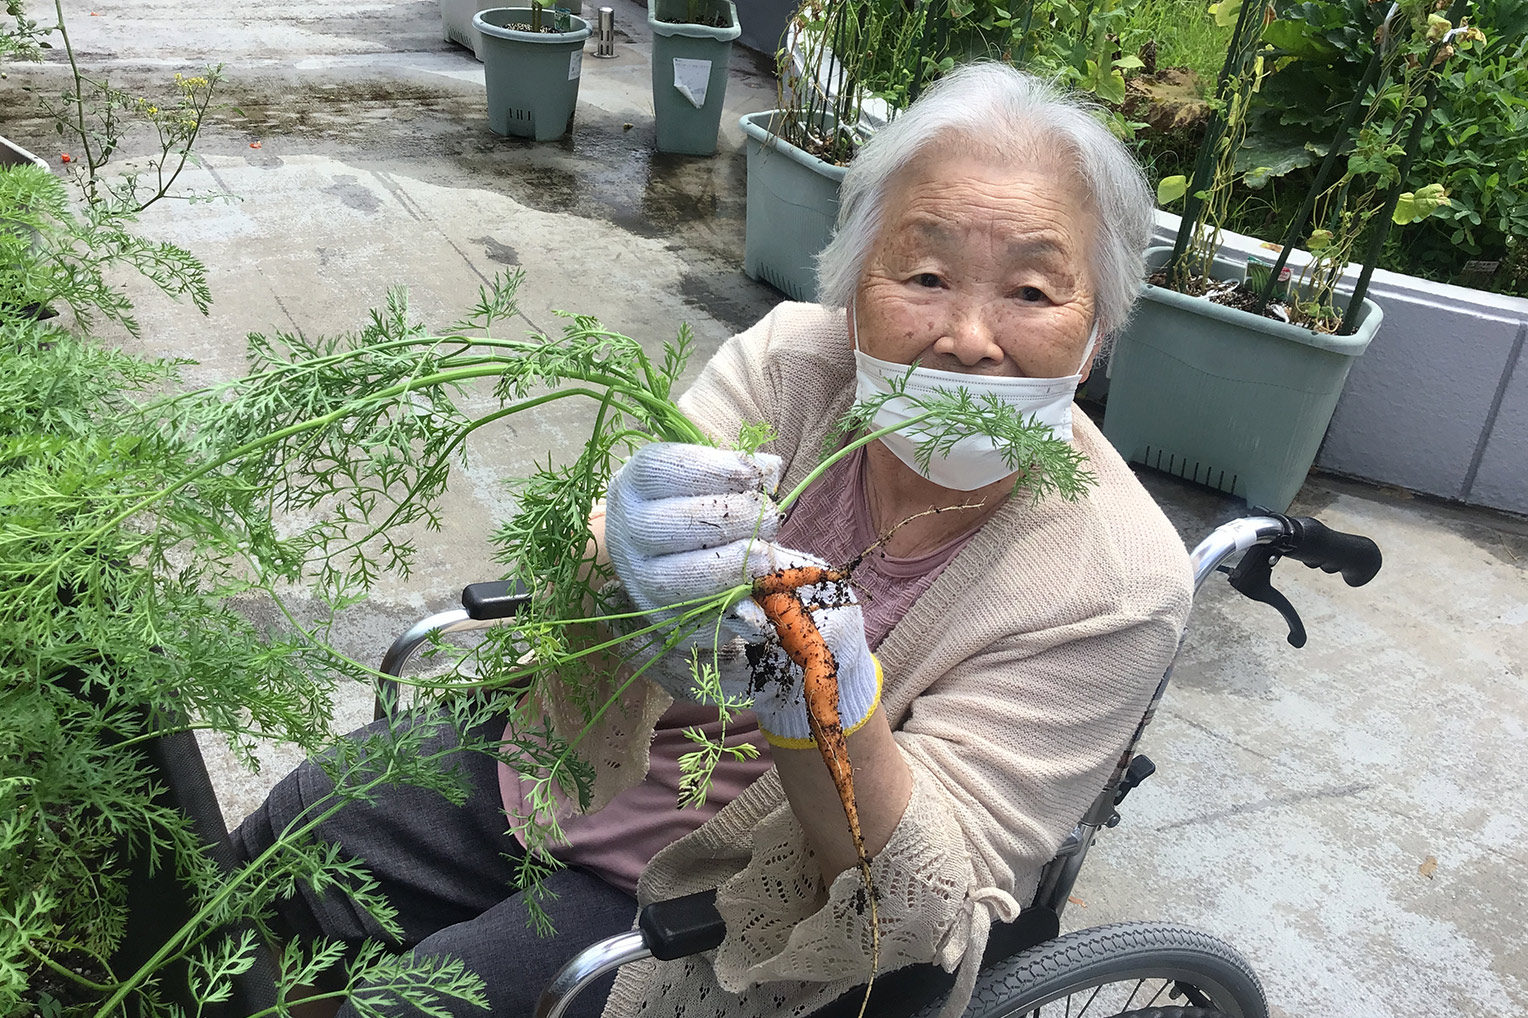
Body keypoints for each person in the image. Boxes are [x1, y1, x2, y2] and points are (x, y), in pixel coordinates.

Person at [233, 62, 1192, 1018]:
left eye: (1032, 291)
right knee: (291, 837)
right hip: (591, 757)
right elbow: (602, 572)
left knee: (428, 1005)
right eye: (927, 276)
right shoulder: (791, 365)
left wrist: (821, 694)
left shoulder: (1116, 580)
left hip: (750, 892)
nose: (969, 338)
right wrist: (617, 548)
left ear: (1098, 329)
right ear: (855, 287)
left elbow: (920, 905)